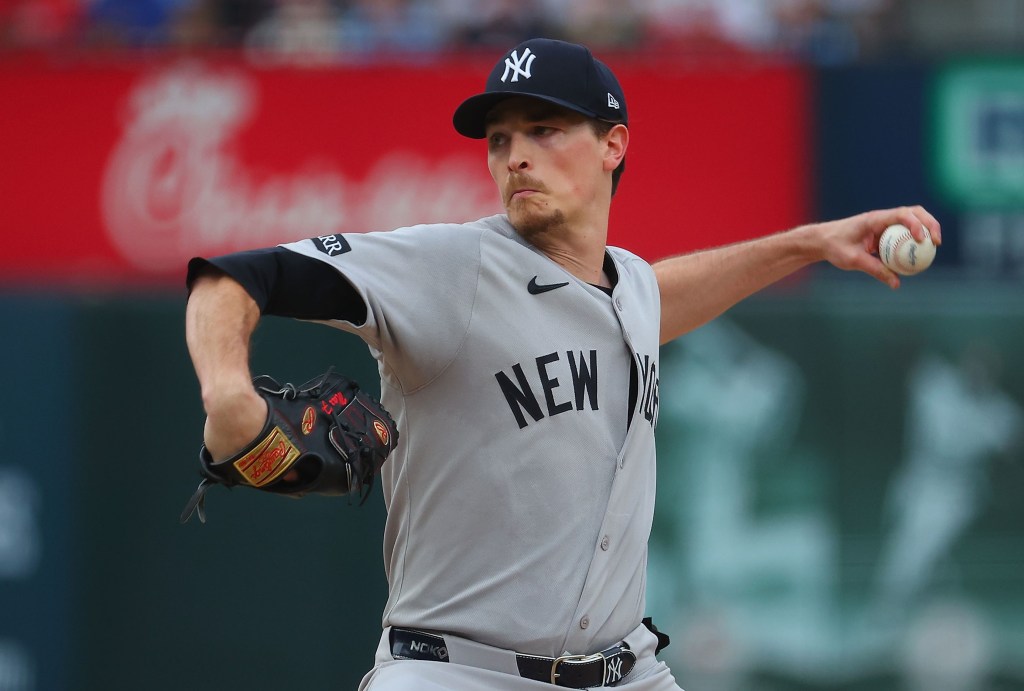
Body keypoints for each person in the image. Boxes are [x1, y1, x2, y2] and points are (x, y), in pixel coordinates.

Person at [184, 37, 940, 690]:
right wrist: (228, 393)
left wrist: (810, 244)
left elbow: (658, 294)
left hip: (627, 669)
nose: (515, 155)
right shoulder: (455, 266)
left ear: (614, 144)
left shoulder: (629, 288)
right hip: (456, 669)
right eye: (499, 138)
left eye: (543, 129)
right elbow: (232, 275)